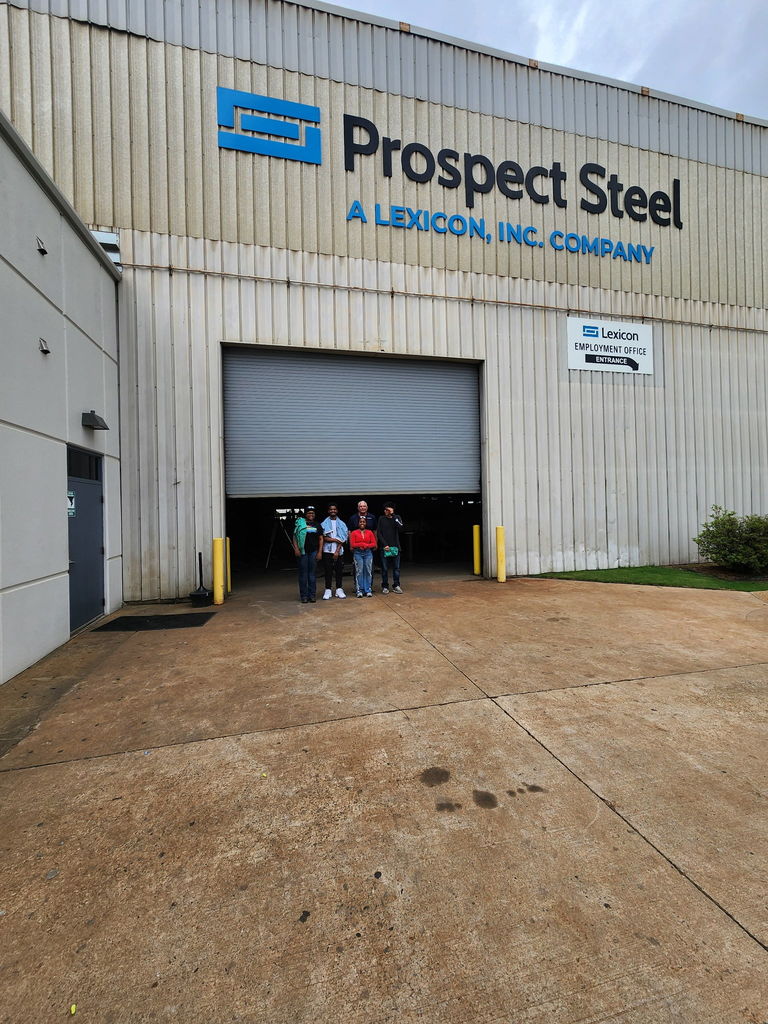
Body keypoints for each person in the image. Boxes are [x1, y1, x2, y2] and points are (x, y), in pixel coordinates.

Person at [292, 506, 323, 603]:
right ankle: (304, 596)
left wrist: (320, 552)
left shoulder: (317, 525)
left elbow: (321, 539)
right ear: (305, 514)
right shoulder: (300, 524)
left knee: (312, 575)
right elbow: (295, 537)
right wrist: (296, 549)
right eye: (309, 513)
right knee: (303, 574)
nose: (311, 515)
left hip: (313, 552)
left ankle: (312, 595)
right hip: (303, 552)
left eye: (312, 513)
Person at [347, 500, 377, 593]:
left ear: (367, 507)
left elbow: (375, 531)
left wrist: (375, 543)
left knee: (369, 569)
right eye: (360, 506)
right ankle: (359, 588)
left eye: (364, 506)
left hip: (368, 549)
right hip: (357, 549)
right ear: (358, 508)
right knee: (358, 570)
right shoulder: (353, 518)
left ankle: (368, 588)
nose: (362, 508)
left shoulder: (372, 517)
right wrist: (351, 545)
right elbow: (349, 531)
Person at [320, 503, 348, 599]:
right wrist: (336, 540)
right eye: (331, 509)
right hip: (327, 551)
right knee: (328, 571)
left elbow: (343, 539)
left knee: (339, 570)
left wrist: (337, 551)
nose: (333, 511)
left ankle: (339, 589)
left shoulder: (342, 524)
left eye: (334, 509)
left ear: (337, 511)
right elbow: (324, 537)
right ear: (328, 511)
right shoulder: (324, 523)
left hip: (339, 551)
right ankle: (328, 590)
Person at [377, 502, 404, 594]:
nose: (386, 511)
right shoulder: (381, 519)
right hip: (385, 548)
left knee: (396, 568)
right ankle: (385, 586)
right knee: (384, 568)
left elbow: (401, 527)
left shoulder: (397, 518)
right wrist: (385, 545)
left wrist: (394, 516)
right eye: (385, 510)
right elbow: (379, 533)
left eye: (388, 510)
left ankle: (396, 585)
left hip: (396, 547)